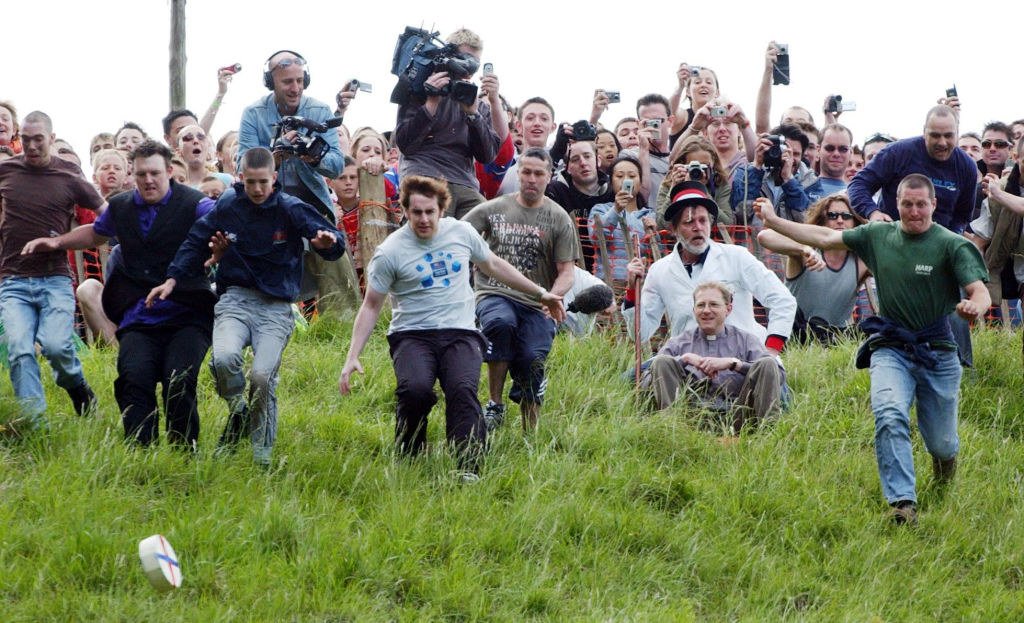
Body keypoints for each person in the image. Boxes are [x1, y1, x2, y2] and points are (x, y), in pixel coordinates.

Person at [755, 173, 990, 525]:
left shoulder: (951, 244)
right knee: (889, 412)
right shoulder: (878, 236)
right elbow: (824, 235)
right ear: (896, 204)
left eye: (921, 204)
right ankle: (903, 503)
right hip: (891, 345)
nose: (913, 212)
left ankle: (943, 471)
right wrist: (774, 220)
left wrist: (976, 307)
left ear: (934, 205)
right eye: (907, 204)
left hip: (938, 350)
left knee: (941, 443)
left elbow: (980, 290)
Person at [338, 175, 565, 474]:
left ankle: (469, 467)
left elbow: (494, 265)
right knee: (415, 390)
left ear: (441, 209)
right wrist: (352, 356)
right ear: (405, 210)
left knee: (461, 389)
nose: (423, 219)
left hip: (461, 333)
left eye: (430, 212)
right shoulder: (390, 252)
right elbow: (371, 305)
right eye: (416, 212)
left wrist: (540, 293)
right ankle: (410, 454)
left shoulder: (461, 233)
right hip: (412, 335)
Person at [147, 147, 344, 466]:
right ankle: (238, 408)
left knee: (263, 378)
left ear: (274, 179)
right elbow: (196, 239)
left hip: (276, 306)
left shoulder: (290, 208)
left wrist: (327, 244)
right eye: (250, 182)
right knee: (223, 360)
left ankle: (261, 455)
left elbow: (332, 238)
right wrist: (172, 278)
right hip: (235, 299)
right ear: (240, 178)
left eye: (263, 182)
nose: (256, 190)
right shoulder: (227, 205)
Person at [22, 141, 217, 447]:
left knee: (178, 380)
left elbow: (222, 221)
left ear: (169, 171)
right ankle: (141, 453)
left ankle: (183, 451)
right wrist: (58, 243)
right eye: (141, 174)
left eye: (154, 173)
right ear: (132, 173)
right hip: (139, 316)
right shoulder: (121, 206)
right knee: (133, 378)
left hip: (188, 314)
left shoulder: (195, 204)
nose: (148, 180)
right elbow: (96, 232)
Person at [848, 105, 979, 365]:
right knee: (899, 311)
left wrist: (950, 239)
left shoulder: (965, 166)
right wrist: (872, 213)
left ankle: (962, 367)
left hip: (938, 244)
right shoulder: (899, 153)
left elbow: (963, 214)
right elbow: (859, 184)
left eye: (949, 136)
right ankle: (888, 358)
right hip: (896, 243)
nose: (942, 143)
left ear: (957, 133)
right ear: (923, 134)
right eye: (935, 136)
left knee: (953, 306)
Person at [0, 111, 105, 435]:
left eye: (39, 139)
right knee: (18, 350)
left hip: (54, 278)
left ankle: (77, 387)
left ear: (50, 137)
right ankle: (36, 428)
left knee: (58, 346)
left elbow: (105, 219)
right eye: (26, 139)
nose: (32, 146)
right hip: (13, 280)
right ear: (20, 136)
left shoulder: (69, 174)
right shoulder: (6, 170)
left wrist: (59, 241)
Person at [463, 147, 576, 432]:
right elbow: (457, 234)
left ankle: (530, 433)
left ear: (549, 177)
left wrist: (554, 297)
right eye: (526, 172)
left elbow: (567, 271)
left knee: (532, 357)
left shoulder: (559, 218)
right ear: (518, 173)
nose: (531, 179)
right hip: (494, 292)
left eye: (539, 173)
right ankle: (494, 405)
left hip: (539, 301)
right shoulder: (494, 208)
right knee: (500, 323)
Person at [237, 49, 358, 316]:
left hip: (313, 202)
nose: (295, 88)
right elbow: (240, 166)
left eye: (300, 81)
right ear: (271, 82)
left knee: (334, 262)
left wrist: (313, 157)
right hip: (268, 204)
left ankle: (343, 321)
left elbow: (337, 166)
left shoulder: (319, 110)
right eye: (287, 82)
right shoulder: (253, 114)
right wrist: (275, 155)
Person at [625, 181, 796, 351]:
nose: (697, 228)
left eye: (702, 220)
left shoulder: (737, 257)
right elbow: (641, 333)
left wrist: (771, 351)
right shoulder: (660, 271)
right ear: (673, 229)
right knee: (630, 378)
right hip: (687, 361)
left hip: (742, 357)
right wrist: (632, 290)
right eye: (688, 222)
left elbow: (782, 299)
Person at [644, 281, 785, 433]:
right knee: (662, 361)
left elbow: (778, 375)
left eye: (713, 305)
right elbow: (647, 381)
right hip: (690, 418)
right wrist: (683, 360)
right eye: (700, 305)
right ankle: (671, 436)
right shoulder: (678, 343)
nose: (706, 310)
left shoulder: (746, 340)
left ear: (728, 309)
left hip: (739, 416)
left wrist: (734, 364)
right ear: (694, 310)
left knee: (767, 362)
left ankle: (768, 436)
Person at [394, 28, 502, 218]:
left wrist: (473, 115)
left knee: (489, 225)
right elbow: (404, 144)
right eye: (464, 60)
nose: (468, 68)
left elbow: (488, 156)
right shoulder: (419, 88)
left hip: (464, 182)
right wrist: (430, 104)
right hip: (425, 173)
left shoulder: (474, 102)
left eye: (474, 64)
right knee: (432, 230)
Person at [756, 194, 870, 342]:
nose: (840, 221)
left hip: (835, 338)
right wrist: (803, 249)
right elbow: (764, 236)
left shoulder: (861, 261)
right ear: (822, 222)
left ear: (855, 221)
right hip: (796, 333)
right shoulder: (807, 253)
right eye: (832, 215)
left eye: (847, 216)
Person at [588, 155, 655, 280]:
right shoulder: (600, 210)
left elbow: (660, 256)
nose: (626, 180)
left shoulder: (650, 215)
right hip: (608, 283)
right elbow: (596, 238)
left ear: (640, 183)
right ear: (611, 182)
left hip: (641, 285)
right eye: (619, 176)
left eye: (632, 176)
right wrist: (616, 210)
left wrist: (652, 235)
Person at [730, 124, 814, 224]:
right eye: (784, 150)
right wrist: (756, 167)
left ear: (802, 157)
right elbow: (741, 213)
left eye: (795, 154)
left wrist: (788, 180)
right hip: (754, 238)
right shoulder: (745, 173)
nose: (788, 157)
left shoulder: (811, 181)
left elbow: (807, 221)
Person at [657, 135, 733, 227]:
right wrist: (674, 189)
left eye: (704, 166)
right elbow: (661, 225)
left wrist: (701, 190)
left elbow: (727, 225)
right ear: (683, 164)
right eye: (693, 167)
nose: (698, 171)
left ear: (713, 164)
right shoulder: (669, 184)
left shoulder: (720, 184)